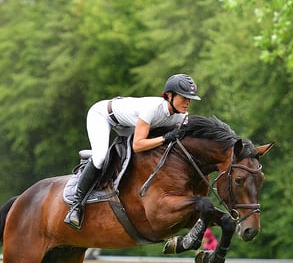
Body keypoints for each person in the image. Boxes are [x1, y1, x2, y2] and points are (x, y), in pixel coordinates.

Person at [64, 73, 202, 230]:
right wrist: (165, 138)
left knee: (144, 156)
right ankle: (76, 205)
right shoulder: (153, 109)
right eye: (184, 98)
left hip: (128, 123)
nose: (188, 102)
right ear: (169, 96)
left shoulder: (181, 116)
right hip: (103, 115)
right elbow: (138, 144)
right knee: (101, 157)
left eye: (190, 99)